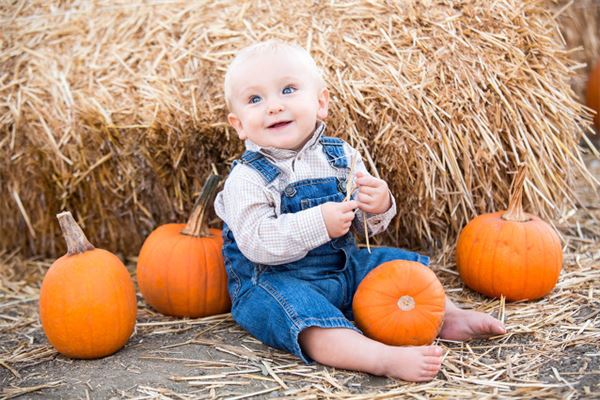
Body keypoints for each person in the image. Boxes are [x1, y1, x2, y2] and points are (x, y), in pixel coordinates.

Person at [214, 40, 506, 382]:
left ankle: (446, 317)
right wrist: (318, 222)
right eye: (255, 99)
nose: (274, 106)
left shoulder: (341, 156)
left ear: (321, 103)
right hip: (276, 281)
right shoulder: (246, 179)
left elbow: (368, 225)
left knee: (395, 265)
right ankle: (380, 358)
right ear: (239, 125)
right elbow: (256, 242)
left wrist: (379, 205)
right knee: (304, 320)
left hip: (342, 267)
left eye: (288, 90)